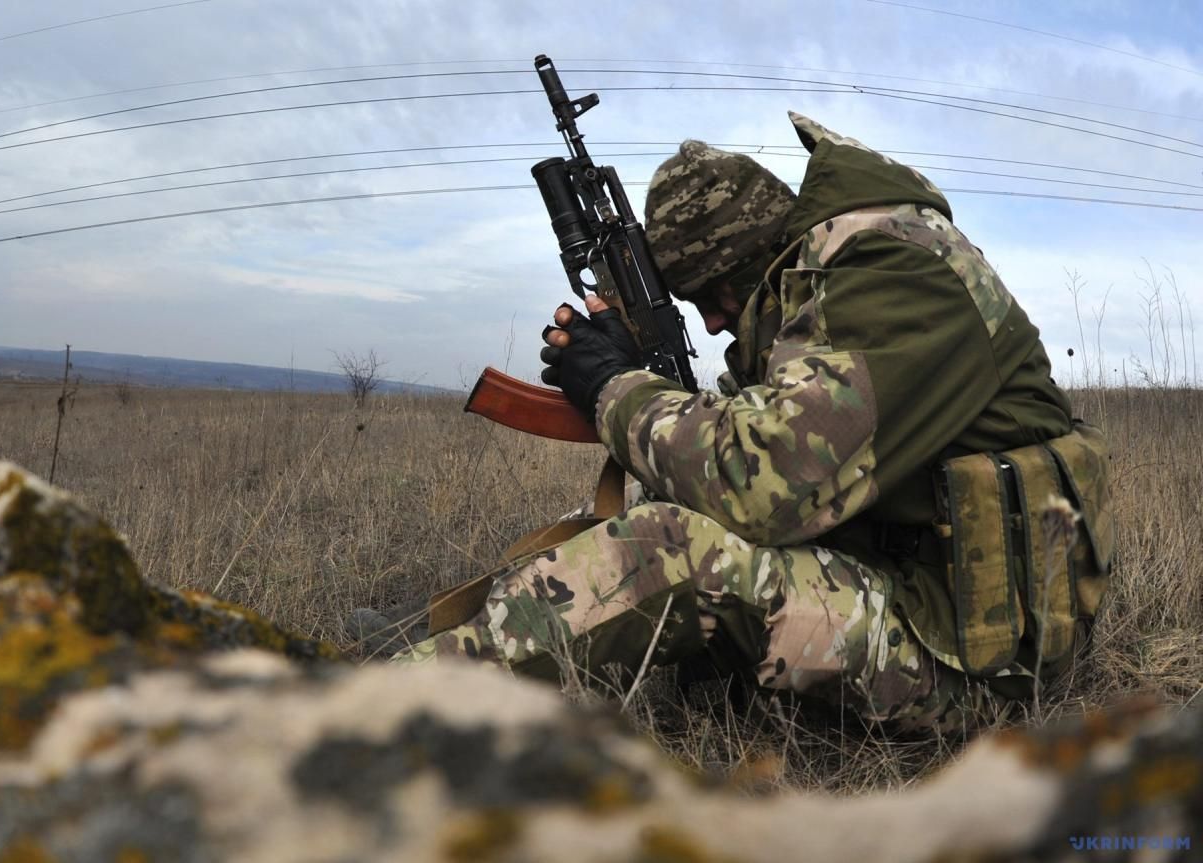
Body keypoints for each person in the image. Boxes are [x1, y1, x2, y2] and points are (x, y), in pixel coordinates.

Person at [393, 112, 1113, 734]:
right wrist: (629, 383)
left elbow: (758, 485)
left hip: (977, 664)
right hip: (908, 592)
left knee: (671, 545)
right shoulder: (828, 287)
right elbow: (729, 442)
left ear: (759, 255)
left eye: (715, 294)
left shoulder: (898, 272)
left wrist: (614, 387)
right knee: (650, 508)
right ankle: (452, 637)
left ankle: (379, 707)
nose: (709, 322)